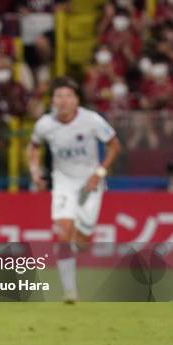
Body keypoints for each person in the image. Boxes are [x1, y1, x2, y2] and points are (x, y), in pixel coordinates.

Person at [27, 76, 121, 303]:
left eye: (68, 96)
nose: (63, 101)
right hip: (63, 183)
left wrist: (99, 173)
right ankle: (70, 291)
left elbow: (114, 146)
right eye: (59, 96)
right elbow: (34, 147)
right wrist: (35, 172)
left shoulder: (92, 120)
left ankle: (79, 242)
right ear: (53, 101)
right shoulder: (45, 124)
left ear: (77, 100)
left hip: (90, 183)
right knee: (63, 231)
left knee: (82, 241)